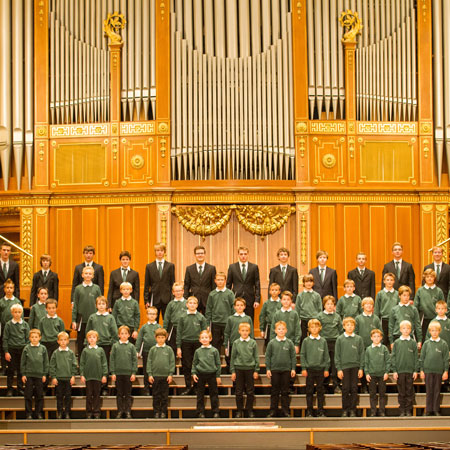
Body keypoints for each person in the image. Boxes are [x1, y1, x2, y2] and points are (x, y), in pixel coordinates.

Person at [177, 296, 208, 395]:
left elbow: (204, 332)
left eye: (194, 303)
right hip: (185, 343)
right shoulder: (182, 317)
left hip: (197, 343)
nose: (192, 305)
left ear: (197, 305)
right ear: (187, 305)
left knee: (197, 365)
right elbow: (179, 333)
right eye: (190, 303)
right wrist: (178, 347)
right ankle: (188, 387)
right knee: (186, 365)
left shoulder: (201, 317)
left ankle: (196, 387)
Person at [335, 317, 365, 417]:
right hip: (344, 367)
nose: (350, 327)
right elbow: (337, 355)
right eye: (347, 325)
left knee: (354, 388)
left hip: (355, 366)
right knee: (345, 388)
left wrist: (361, 368)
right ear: (344, 326)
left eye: (352, 325)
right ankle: (345, 409)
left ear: (354, 327)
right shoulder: (340, 339)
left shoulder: (358, 339)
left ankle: (352, 410)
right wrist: (339, 369)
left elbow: (362, 354)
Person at [266, 320, 297, 418]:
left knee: (285, 391)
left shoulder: (289, 343)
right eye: (279, 329)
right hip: (275, 370)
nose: (281, 331)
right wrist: (268, 369)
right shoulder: (271, 343)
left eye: (283, 329)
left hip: (286, 370)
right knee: (274, 391)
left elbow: (293, 356)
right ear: (275, 330)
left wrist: (293, 368)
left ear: (286, 330)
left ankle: (285, 411)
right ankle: (273, 411)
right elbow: (268, 357)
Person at [300, 319, 329, 418]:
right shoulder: (306, 341)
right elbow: (303, 355)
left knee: (320, 391)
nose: (314, 329)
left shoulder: (323, 341)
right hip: (310, 370)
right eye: (312, 327)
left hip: (320, 369)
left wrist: (326, 369)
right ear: (309, 329)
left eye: (316, 327)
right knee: (309, 391)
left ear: (320, 328)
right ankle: (309, 411)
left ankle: (320, 411)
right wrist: (303, 368)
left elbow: (326, 356)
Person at [71, 266, 102, 361]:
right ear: (82, 275)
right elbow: (75, 305)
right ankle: (81, 365)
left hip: (94, 320)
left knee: (94, 341)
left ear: (93, 276)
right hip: (81, 320)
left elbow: (100, 303)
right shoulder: (78, 289)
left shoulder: (96, 288)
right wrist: (73, 320)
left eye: (90, 274)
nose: (88, 275)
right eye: (86, 273)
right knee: (81, 343)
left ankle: (94, 362)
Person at [420, 321, 449, 416]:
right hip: (428, 371)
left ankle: (436, 409)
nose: (434, 332)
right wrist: (421, 370)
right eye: (432, 331)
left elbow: (446, 358)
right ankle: (428, 410)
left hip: (439, 371)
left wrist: (445, 371)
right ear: (429, 332)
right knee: (429, 391)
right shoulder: (426, 344)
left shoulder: (443, 344)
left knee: (437, 390)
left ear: (439, 331)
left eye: (436, 331)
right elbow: (422, 358)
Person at [230, 322, 259, 418]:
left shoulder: (253, 343)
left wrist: (256, 370)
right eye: (243, 331)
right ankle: (239, 411)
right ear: (239, 331)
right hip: (239, 369)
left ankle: (249, 410)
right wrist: (233, 371)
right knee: (238, 391)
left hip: (250, 369)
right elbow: (233, 358)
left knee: (250, 391)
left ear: (249, 332)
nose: (245, 332)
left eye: (246, 331)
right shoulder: (236, 343)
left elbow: (256, 357)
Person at [390, 320, 419, 416]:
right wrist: (394, 370)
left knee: (409, 391)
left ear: (410, 330)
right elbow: (393, 357)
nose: (406, 330)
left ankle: (408, 409)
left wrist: (415, 370)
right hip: (400, 371)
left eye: (408, 328)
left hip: (410, 371)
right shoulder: (397, 342)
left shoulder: (413, 343)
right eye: (404, 328)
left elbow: (416, 357)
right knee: (401, 391)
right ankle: (402, 409)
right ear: (400, 330)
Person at [110, 325, 138, 419]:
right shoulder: (115, 346)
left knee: (128, 394)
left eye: (126, 333)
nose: (124, 335)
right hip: (118, 373)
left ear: (129, 335)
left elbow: (134, 360)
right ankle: (120, 411)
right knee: (119, 394)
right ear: (118, 335)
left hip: (128, 374)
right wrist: (113, 372)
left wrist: (133, 372)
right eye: (122, 333)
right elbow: (112, 360)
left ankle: (128, 411)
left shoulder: (131, 347)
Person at [192, 329, 221, 418]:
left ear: (210, 339)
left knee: (214, 394)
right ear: (200, 340)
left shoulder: (214, 351)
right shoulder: (198, 351)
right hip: (201, 374)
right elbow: (194, 363)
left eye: (206, 337)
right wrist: (194, 373)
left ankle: (215, 411)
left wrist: (218, 376)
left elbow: (218, 364)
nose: (204, 339)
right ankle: (200, 412)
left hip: (212, 374)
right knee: (200, 394)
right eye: (202, 338)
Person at [227, 246, 261, 321]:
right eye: (241, 254)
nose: (243, 256)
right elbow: (228, 284)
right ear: (238, 255)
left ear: (248, 255)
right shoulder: (232, 267)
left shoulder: (254, 267)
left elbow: (257, 284)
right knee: (235, 321)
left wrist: (257, 300)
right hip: (235, 298)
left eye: (245, 254)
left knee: (249, 320)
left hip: (250, 299)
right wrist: (228, 299)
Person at [20, 329, 48, 420]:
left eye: (36, 337)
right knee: (28, 395)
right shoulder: (26, 348)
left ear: (40, 338)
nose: (34, 339)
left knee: (39, 395)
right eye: (32, 337)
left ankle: (38, 413)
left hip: (39, 375)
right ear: (29, 338)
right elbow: (23, 362)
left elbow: (46, 363)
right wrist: (23, 374)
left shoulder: (43, 348)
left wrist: (44, 374)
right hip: (29, 375)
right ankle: (28, 413)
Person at [80, 330, 108, 419]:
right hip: (88, 377)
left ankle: (96, 412)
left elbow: (104, 363)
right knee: (89, 395)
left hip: (98, 376)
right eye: (90, 337)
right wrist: (82, 374)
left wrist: (104, 375)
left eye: (94, 337)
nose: (92, 339)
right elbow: (82, 363)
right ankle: (88, 412)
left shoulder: (100, 350)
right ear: (87, 339)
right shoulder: (85, 350)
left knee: (96, 394)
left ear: (97, 339)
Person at [147, 328, 175, 419]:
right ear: (156, 338)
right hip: (155, 376)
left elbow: (172, 362)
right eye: (159, 337)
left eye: (162, 337)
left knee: (164, 396)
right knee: (156, 395)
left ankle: (163, 412)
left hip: (165, 376)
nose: (160, 339)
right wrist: (150, 374)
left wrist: (170, 374)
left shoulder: (169, 349)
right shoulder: (152, 349)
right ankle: (156, 412)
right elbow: (149, 362)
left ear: (165, 338)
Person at [317, 295, 343, 393]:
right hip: (323, 343)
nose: (330, 306)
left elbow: (340, 330)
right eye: (328, 304)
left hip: (335, 342)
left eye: (332, 304)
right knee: (324, 364)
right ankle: (324, 386)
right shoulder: (319, 316)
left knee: (335, 365)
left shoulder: (337, 316)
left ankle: (336, 385)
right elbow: (317, 330)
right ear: (324, 305)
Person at [144, 243, 175, 321]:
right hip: (154, 298)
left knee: (167, 321)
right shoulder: (149, 266)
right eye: (158, 250)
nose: (160, 252)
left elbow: (172, 283)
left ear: (164, 252)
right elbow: (147, 285)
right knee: (154, 321)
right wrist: (146, 300)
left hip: (167, 298)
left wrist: (172, 299)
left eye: (161, 250)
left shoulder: (170, 266)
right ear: (155, 252)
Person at [49, 331, 77, 419]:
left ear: (68, 341)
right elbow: (52, 365)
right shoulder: (55, 353)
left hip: (68, 378)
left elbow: (74, 365)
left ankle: (67, 412)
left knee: (68, 397)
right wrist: (53, 377)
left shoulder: (71, 353)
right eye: (61, 340)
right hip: (59, 378)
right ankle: (60, 412)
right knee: (59, 396)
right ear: (58, 341)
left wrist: (73, 376)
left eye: (65, 340)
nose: (63, 342)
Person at [3, 304, 29, 396]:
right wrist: (6, 352)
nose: (17, 314)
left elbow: (27, 339)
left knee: (21, 370)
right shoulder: (8, 324)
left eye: (19, 312)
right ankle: (9, 389)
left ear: (21, 313)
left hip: (22, 350)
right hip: (11, 350)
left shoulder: (25, 324)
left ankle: (20, 388)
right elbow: (5, 339)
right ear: (12, 313)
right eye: (15, 312)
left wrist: (26, 351)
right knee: (10, 370)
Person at [205, 272, 235, 351]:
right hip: (215, 323)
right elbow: (208, 310)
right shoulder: (212, 294)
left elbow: (233, 308)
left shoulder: (230, 293)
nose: (220, 281)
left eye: (222, 280)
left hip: (227, 323)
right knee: (215, 343)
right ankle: (216, 361)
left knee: (228, 343)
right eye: (218, 280)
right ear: (215, 281)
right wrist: (208, 323)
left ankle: (228, 362)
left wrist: (232, 321)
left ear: (225, 281)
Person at [364, 329, 390, 417]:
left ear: (381, 338)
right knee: (373, 394)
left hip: (382, 375)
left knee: (382, 394)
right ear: (371, 338)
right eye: (374, 336)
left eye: (378, 336)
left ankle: (382, 411)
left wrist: (387, 372)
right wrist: (367, 373)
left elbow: (388, 361)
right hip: (372, 375)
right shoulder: (368, 349)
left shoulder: (384, 348)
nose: (376, 338)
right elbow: (366, 362)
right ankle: (373, 411)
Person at [184, 245, 217, 315]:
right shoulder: (189, 269)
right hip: (193, 300)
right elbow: (186, 285)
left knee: (206, 322)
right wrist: (186, 299)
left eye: (201, 253)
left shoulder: (211, 268)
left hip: (207, 299)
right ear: (195, 255)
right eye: (198, 253)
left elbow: (214, 286)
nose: (200, 255)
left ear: (205, 254)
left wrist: (213, 299)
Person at [414, 268, 445, 342]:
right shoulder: (420, 290)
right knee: (424, 338)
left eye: (431, 277)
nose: (429, 278)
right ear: (424, 278)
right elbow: (415, 306)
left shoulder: (439, 291)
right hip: (423, 319)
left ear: (434, 278)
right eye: (427, 277)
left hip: (436, 318)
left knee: (436, 338)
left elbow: (443, 305)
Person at [136, 306, 161, 395]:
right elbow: (139, 339)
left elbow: (162, 339)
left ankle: (155, 388)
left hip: (157, 352)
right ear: (147, 315)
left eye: (153, 314)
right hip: (146, 351)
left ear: (156, 315)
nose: (152, 316)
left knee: (155, 370)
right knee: (146, 370)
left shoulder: (159, 326)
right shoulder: (144, 327)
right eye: (150, 314)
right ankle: (146, 388)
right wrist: (137, 350)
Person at [224, 298, 254, 371]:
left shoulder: (248, 318)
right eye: (237, 305)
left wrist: (252, 343)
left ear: (244, 306)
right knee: (233, 362)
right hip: (233, 344)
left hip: (246, 345)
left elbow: (252, 332)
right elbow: (227, 332)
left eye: (241, 305)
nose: (239, 307)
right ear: (234, 307)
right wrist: (226, 346)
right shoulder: (230, 318)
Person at [0, 278, 22, 373]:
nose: (9, 289)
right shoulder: (1, 301)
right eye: (7, 288)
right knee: (4, 347)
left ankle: (16, 368)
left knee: (14, 348)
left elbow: (21, 315)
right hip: (4, 327)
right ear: (4, 289)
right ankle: (4, 368)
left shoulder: (17, 301)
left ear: (13, 289)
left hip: (15, 327)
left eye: (11, 288)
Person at [295, 274, 322, 343]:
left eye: (310, 281)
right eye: (306, 282)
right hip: (303, 319)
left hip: (314, 320)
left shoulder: (317, 295)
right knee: (303, 337)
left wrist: (318, 319)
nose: (308, 283)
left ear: (313, 283)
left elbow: (320, 309)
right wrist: (297, 320)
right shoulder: (300, 295)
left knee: (314, 338)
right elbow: (297, 309)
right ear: (303, 283)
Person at [374, 273, 399, 346]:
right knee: (384, 339)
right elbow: (377, 308)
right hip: (384, 319)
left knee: (393, 340)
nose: (389, 282)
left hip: (394, 320)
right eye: (387, 280)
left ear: (394, 281)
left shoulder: (397, 294)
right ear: (384, 281)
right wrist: (376, 321)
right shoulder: (380, 294)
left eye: (391, 280)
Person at [162, 282, 187, 354]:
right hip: (173, 329)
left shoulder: (187, 303)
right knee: (172, 348)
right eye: (176, 291)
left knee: (184, 348)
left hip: (184, 329)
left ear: (183, 291)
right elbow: (166, 318)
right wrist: (165, 330)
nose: (178, 292)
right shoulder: (171, 304)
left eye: (179, 290)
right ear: (173, 292)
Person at [259, 283, 282, 348]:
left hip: (280, 328)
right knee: (269, 345)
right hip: (269, 327)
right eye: (272, 290)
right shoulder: (266, 303)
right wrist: (262, 330)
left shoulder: (282, 303)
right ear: (269, 291)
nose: (274, 291)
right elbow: (262, 316)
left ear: (279, 291)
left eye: (276, 290)